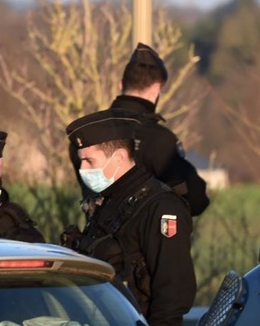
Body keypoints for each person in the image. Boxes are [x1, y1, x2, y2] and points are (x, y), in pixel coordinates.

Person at [61, 108, 197, 326]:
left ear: (120, 157)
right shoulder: (109, 201)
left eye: (89, 161)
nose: (83, 169)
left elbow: (174, 289)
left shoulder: (160, 206)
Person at [68, 42, 210, 216]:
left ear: (121, 85)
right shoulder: (159, 140)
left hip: (94, 239)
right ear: (156, 89)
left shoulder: (88, 133)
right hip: (145, 240)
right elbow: (196, 199)